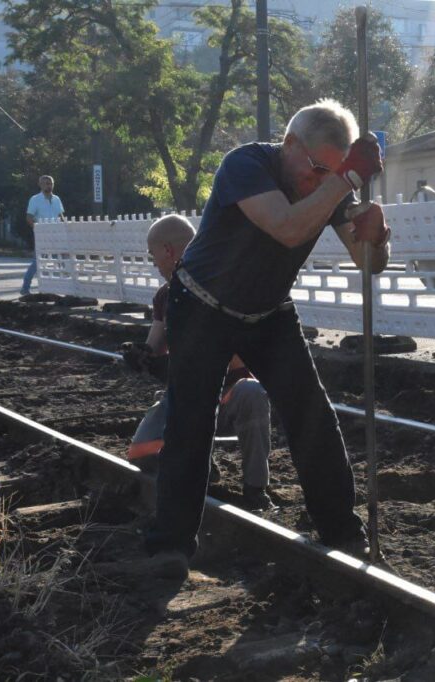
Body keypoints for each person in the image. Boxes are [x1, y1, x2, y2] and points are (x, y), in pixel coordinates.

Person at [143, 99, 390, 568]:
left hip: (268, 312)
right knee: (191, 422)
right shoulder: (247, 165)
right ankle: (169, 545)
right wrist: (346, 179)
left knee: (311, 413)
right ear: (290, 144)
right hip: (201, 306)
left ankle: (341, 530)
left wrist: (377, 238)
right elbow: (286, 228)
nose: (318, 181)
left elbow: (369, 264)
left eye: (331, 173)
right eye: (316, 168)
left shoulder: (331, 182)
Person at [121, 215, 275, 512]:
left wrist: (179, 365)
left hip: (228, 393)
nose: (153, 263)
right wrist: (141, 356)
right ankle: (204, 468)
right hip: (186, 396)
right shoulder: (164, 297)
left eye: (153, 255)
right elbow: (155, 346)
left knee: (253, 394)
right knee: (142, 452)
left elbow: (228, 356)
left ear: (168, 250)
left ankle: (256, 488)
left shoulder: (224, 287)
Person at [22, 175, 65, 296]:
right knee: (37, 262)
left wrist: (65, 228)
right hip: (42, 236)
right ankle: (25, 288)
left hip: (57, 235)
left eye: (50, 183)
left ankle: (68, 288)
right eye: (45, 183)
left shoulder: (57, 199)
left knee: (62, 261)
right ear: (40, 185)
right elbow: (29, 218)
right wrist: (38, 230)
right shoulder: (35, 199)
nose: (48, 185)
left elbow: (60, 216)